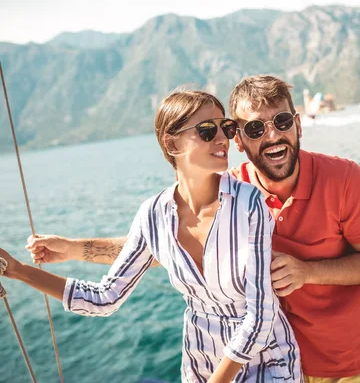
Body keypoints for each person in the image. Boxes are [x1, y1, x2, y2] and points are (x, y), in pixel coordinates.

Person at [27, 75, 360, 382]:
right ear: (240, 139)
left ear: (297, 124)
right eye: (252, 127)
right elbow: (168, 246)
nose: (272, 136)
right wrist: (74, 249)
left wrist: (308, 272)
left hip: (343, 362)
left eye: (281, 122)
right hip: (259, 361)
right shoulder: (226, 190)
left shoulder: (344, 180)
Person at [2, 89, 302, 383]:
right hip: (201, 363)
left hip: (267, 362)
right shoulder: (153, 215)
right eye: (208, 131)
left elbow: (260, 314)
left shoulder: (249, 203)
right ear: (172, 144)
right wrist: (16, 270)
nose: (224, 138)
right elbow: (104, 298)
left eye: (225, 127)